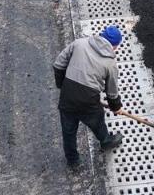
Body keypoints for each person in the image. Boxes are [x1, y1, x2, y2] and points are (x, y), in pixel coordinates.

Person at [53, 26, 125, 169]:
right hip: (88, 100)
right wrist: (116, 107)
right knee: (97, 119)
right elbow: (112, 92)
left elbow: (58, 64)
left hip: (67, 96)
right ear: (114, 45)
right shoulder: (110, 63)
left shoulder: (79, 43)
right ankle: (106, 141)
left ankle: (73, 161)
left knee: (68, 131)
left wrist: (63, 86)